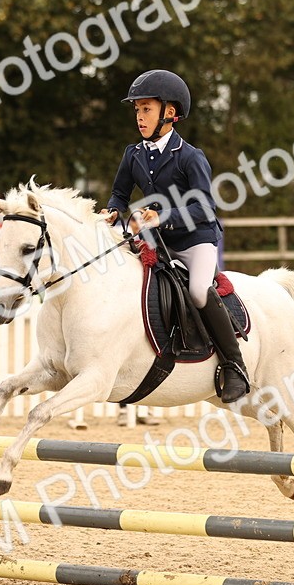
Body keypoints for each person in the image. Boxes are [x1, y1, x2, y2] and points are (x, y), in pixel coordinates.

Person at [99, 69, 249, 403]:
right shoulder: (133, 154)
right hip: (159, 243)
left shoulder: (190, 156)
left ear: (169, 112)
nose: (139, 117)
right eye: (137, 110)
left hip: (196, 240)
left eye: (146, 109)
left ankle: (234, 364)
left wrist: (163, 217)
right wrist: (112, 211)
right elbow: (120, 193)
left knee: (198, 291)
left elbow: (205, 208)